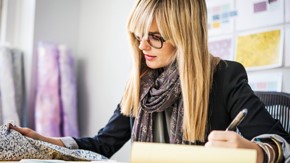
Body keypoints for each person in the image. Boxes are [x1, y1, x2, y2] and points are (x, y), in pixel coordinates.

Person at [11, 0, 290, 162]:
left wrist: (258, 152)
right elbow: (103, 144)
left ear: (184, 35)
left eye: (155, 36)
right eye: (138, 35)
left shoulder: (225, 75)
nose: (143, 45)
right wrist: (47, 141)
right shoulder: (139, 83)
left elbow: (282, 141)